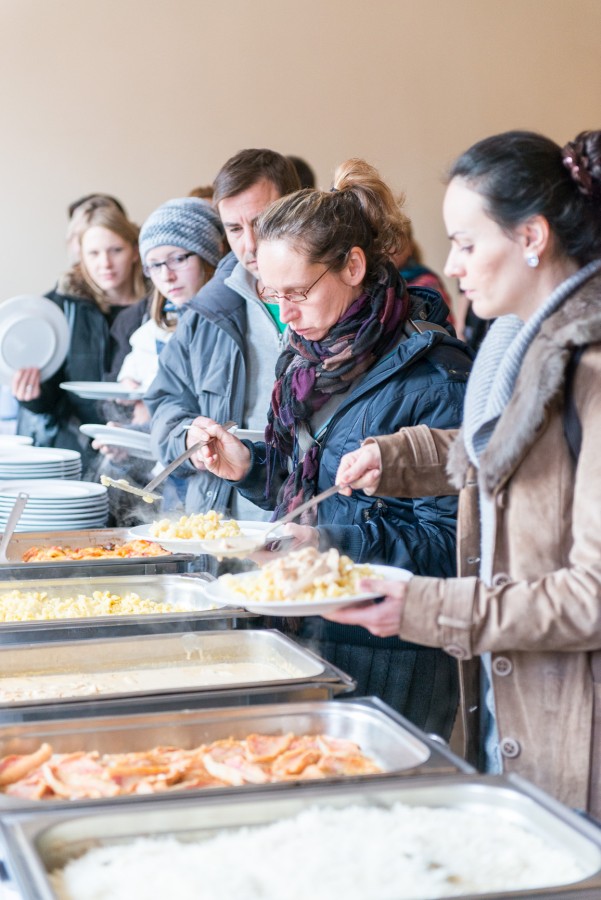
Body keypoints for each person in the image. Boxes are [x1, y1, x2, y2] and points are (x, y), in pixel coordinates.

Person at [326, 130, 601, 817]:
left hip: (575, 724)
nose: (450, 266)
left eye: (467, 243)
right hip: (513, 707)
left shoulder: (590, 367)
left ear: (532, 236)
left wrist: (423, 607)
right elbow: (508, 447)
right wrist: (400, 456)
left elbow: (591, 597)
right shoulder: (519, 342)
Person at [190, 159, 473, 737]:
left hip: (390, 652)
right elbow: (309, 486)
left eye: (297, 293)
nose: (285, 315)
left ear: (353, 265)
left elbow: (451, 549)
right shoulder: (307, 361)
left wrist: (327, 545)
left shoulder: (434, 376)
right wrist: (248, 467)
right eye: (272, 296)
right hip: (298, 630)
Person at [145, 149, 300, 519]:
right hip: (222, 525)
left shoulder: (332, 304)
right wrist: (187, 436)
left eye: (261, 223)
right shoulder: (207, 312)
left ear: (296, 210)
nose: (249, 244)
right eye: (234, 228)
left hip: (310, 525)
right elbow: (165, 404)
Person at [13, 203, 147, 459]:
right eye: (93, 253)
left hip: (144, 451)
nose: (105, 263)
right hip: (74, 453)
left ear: (134, 251)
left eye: (115, 250)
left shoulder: (159, 307)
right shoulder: (60, 308)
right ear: (82, 258)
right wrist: (31, 395)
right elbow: (49, 400)